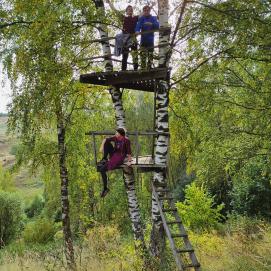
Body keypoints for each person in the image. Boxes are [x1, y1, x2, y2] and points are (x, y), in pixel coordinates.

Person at [98, 128, 132, 197]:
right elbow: (105, 139)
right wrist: (101, 147)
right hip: (114, 154)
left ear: (120, 134)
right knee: (107, 142)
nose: (115, 134)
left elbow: (129, 152)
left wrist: (129, 161)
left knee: (102, 169)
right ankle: (104, 158)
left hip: (119, 157)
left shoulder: (126, 141)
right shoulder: (116, 138)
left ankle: (105, 188)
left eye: (116, 133)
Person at [106, 0, 139, 71]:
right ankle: (123, 70)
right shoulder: (124, 18)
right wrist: (109, 3)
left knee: (135, 54)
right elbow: (115, 11)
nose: (130, 11)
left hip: (133, 38)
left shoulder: (135, 18)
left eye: (131, 10)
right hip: (125, 39)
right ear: (126, 11)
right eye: (129, 10)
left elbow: (143, 14)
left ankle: (136, 69)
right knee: (125, 55)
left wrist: (151, 6)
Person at [135, 5, 159, 70]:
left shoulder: (153, 18)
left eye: (147, 10)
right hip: (143, 40)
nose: (146, 12)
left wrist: (152, 24)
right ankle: (143, 68)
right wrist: (137, 31)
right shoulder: (142, 18)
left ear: (149, 11)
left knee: (150, 54)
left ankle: (149, 67)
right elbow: (138, 25)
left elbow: (157, 26)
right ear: (143, 11)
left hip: (150, 40)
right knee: (142, 54)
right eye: (145, 11)